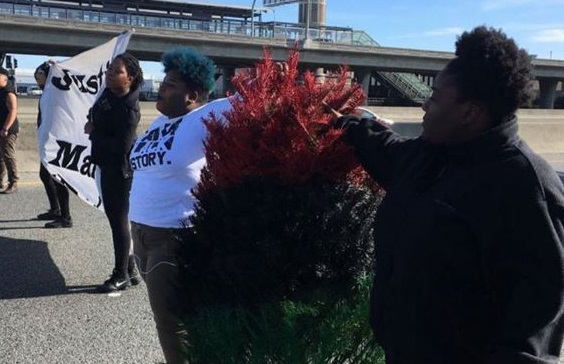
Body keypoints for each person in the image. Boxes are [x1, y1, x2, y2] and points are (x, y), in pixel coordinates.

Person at [333, 26, 564, 364]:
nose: (425, 104)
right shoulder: (433, 154)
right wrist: (347, 127)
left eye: (436, 97)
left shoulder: (523, 188)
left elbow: (532, 332)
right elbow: (390, 151)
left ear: (470, 113)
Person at [128, 47, 232, 364]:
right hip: (141, 234)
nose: (162, 86)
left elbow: (258, 100)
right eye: (164, 80)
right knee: (179, 316)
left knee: (169, 324)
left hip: (173, 237)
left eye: (171, 83)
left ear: (193, 94)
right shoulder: (159, 123)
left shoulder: (201, 118)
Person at [84, 52, 143, 293]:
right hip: (104, 164)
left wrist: (93, 131)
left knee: (118, 222)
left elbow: (122, 147)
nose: (109, 74)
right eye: (109, 69)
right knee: (116, 219)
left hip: (118, 171)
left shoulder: (129, 109)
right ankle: (130, 269)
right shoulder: (110, 92)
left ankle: (120, 275)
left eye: (117, 71)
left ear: (130, 78)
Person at [34, 61, 73, 228]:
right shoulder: (47, 91)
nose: (37, 79)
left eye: (40, 75)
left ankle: (66, 217)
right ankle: (55, 209)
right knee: (45, 175)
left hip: (57, 139)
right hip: (47, 138)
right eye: (36, 76)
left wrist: (59, 68)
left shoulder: (57, 90)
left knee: (57, 177)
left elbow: (72, 82)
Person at [0, 66, 19, 194]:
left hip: (8, 129)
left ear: (4, 77)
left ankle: (13, 182)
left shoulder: (9, 91)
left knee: (7, 155)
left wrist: (5, 128)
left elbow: (13, 110)